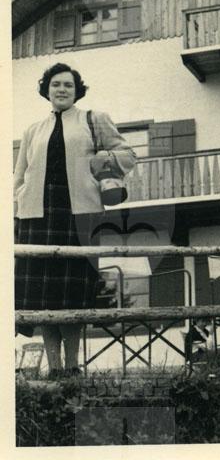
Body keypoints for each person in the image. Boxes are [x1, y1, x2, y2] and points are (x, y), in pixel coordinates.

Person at [14, 63, 136, 379]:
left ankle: (71, 366)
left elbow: (127, 155)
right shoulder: (32, 130)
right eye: (56, 84)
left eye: (68, 85)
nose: (62, 90)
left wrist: (103, 160)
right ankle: (54, 368)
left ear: (77, 90)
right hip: (37, 217)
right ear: (47, 90)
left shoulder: (93, 119)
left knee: (72, 293)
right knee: (44, 297)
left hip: (80, 214)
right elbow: (19, 176)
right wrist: (16, 206)